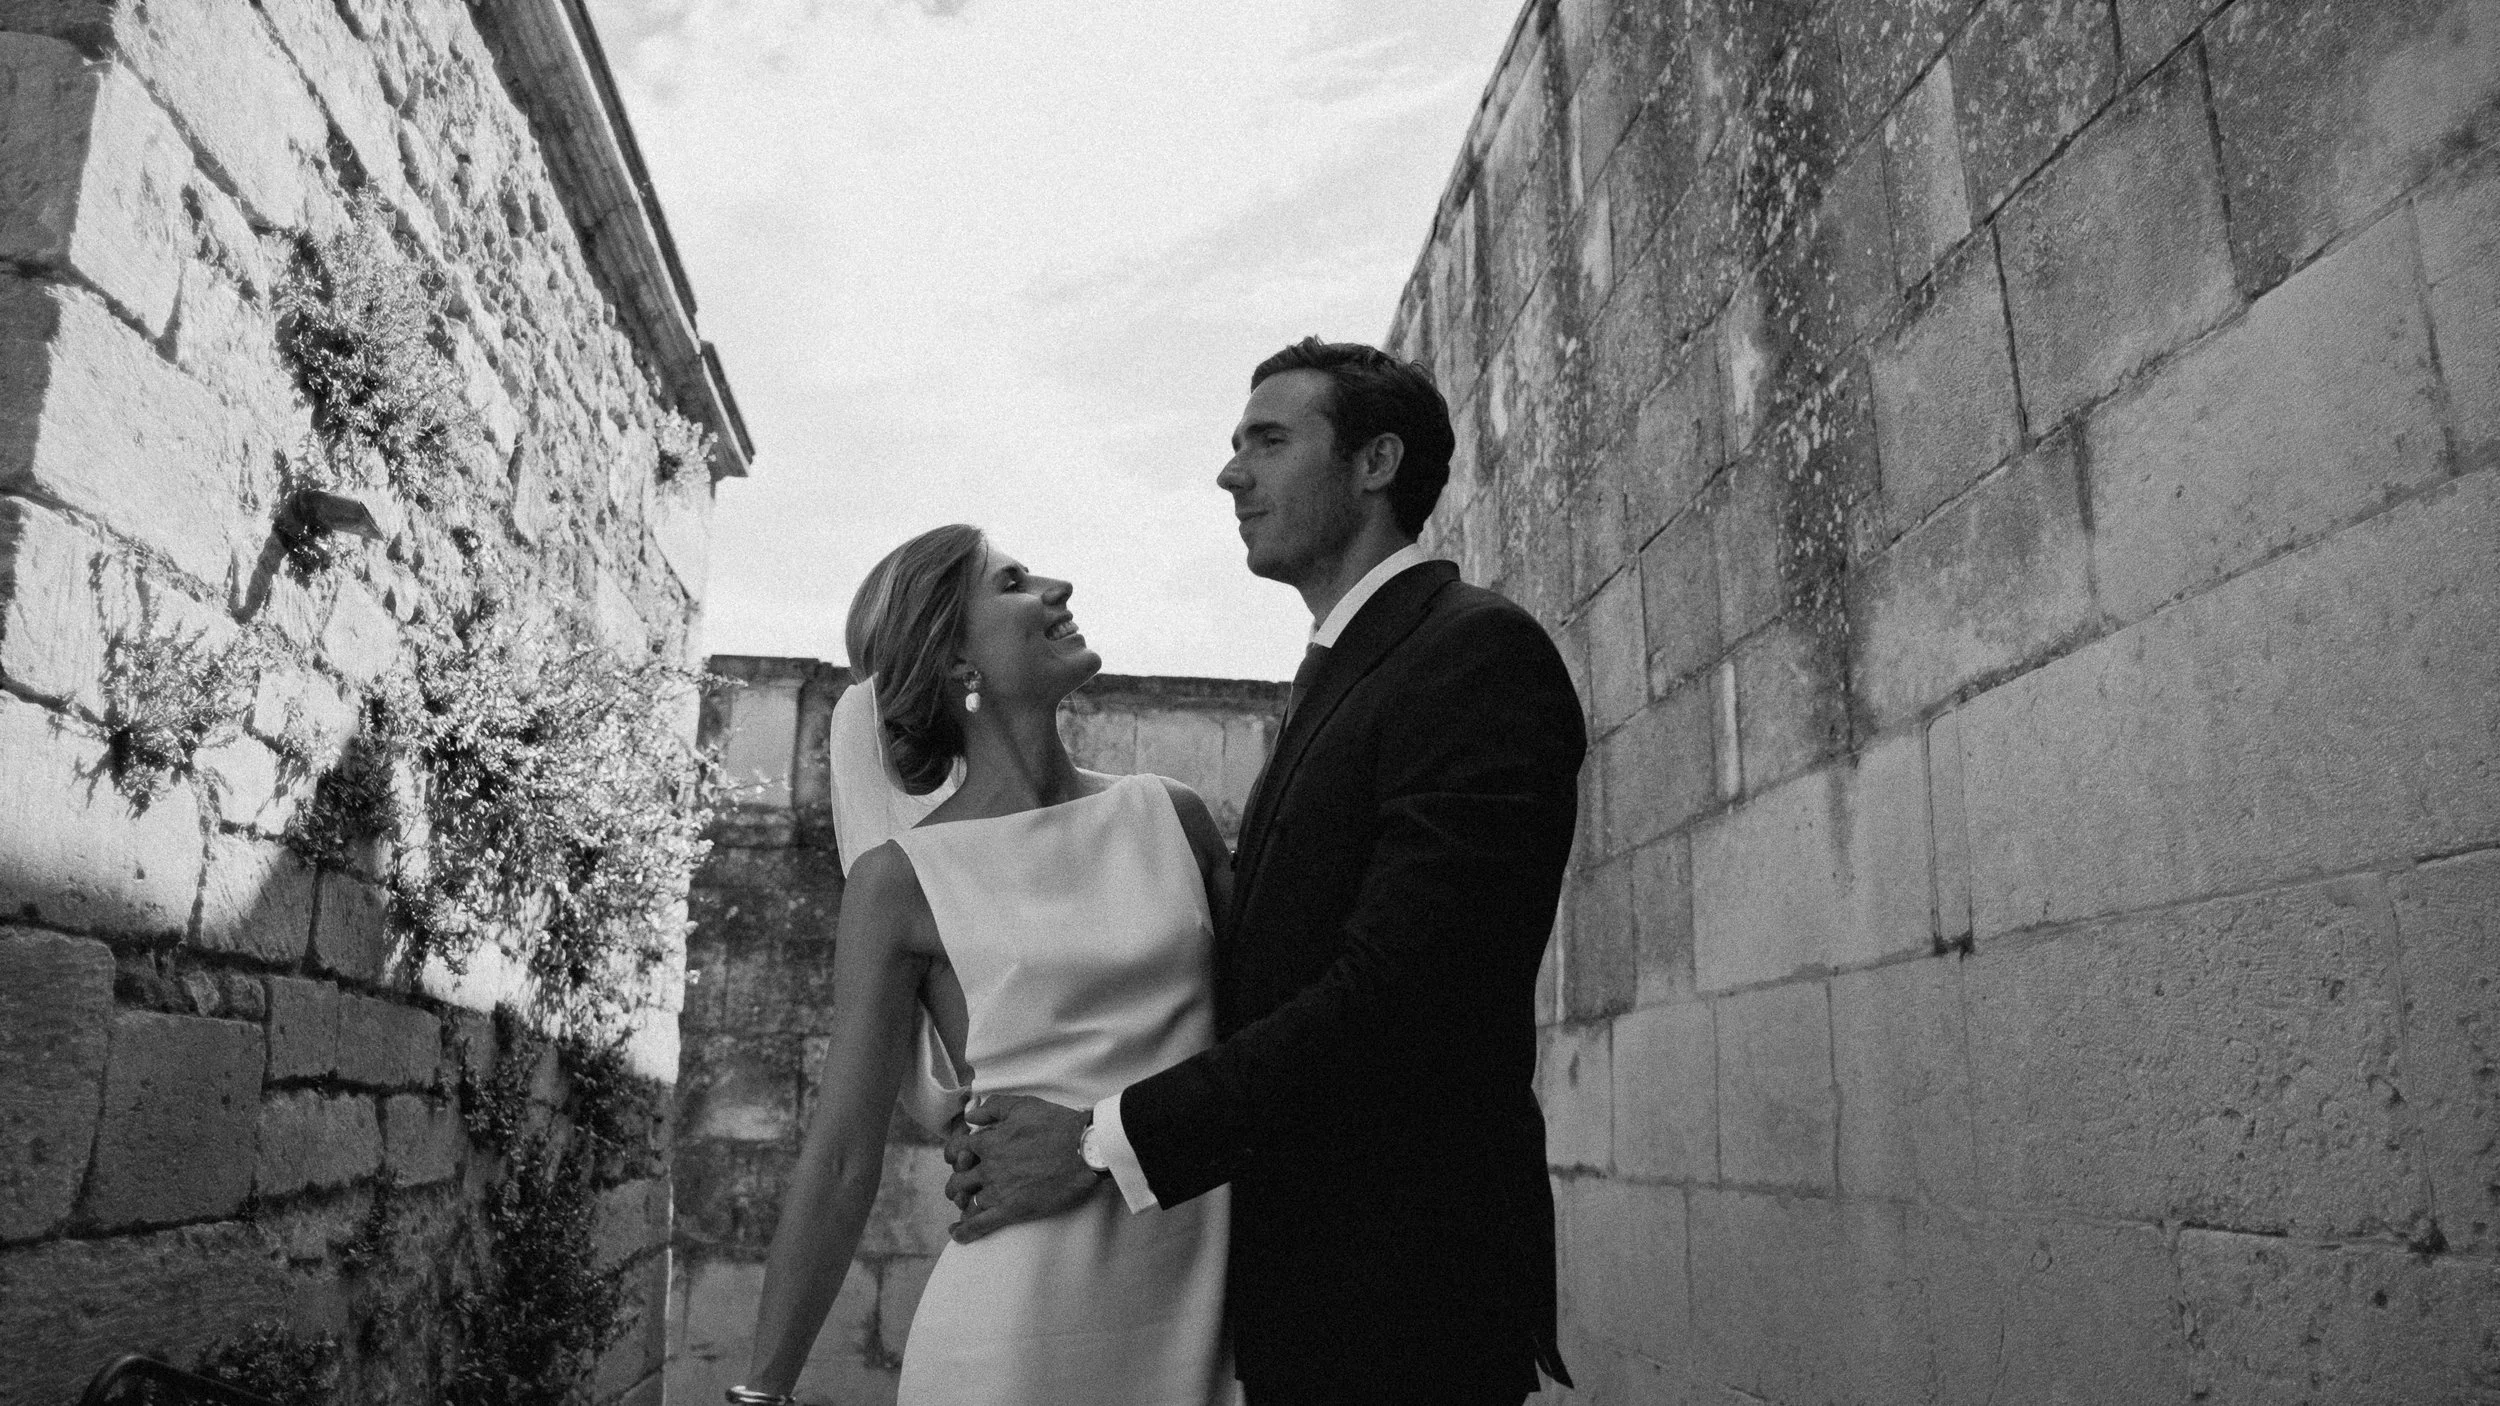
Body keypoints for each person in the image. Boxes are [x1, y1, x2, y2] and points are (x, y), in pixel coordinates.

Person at [944, 338, 1586, 1406]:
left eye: (1269, 441)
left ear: (1375, 463)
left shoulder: (1474, 653)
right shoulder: (1352, 665)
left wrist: (1101, 1143)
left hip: (1404, 1303)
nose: (1230, 473)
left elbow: (1399, 999)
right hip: (1313, 1297)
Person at [730, 523, 1244, 1406]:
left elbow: (1269, 1049)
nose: (1058, 586)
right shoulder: (899, 882)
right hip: (1013, 1336)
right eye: (1013, 583)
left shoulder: (1174, 817)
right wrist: (760, 1395)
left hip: (1208, 1307)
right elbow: (844, 1157)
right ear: (956, 660)